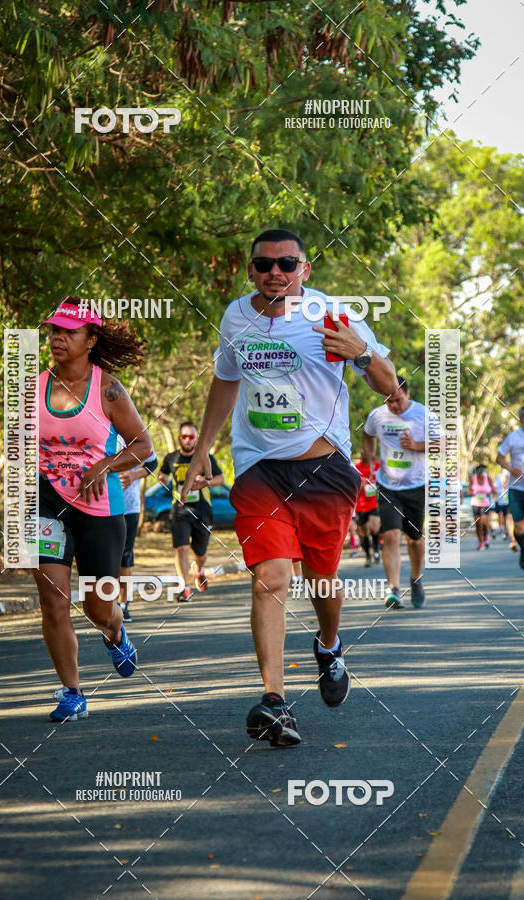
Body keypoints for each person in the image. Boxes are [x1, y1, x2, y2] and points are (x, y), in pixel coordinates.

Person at [181, 228, 397, 746]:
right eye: (263, 264)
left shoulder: (332, 314)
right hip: (259, 469)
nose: (274, 272)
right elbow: (225, 381)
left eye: (286, 263)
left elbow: (390, 386)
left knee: (322, 579)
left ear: (305, 269)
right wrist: (204, 450)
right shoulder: (237, 316)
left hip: (324, 470)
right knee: (272, 579)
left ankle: (328, 644)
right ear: (250, 270)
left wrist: (361, 352)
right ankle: (275, 701)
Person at [34, 298, 153, 721]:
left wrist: (105, 464)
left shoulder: (109, 389)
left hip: (100, 509)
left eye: (68, 331)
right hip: (47, 504)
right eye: (53, 331)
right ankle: (72, 693)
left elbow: (144, 446)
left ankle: (115, 631)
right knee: (52, 599)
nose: (57, 338)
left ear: (91, 339)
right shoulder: (34, 387)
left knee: (97, 605)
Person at [362, 378, 438, 610]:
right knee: (391, 535)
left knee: (414, 539)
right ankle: (393, 589)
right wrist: (369, 456)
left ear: (407, 392)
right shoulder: (377, 415)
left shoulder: (423, 414)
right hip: (388, 486)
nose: (393, 406)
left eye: (398, 400)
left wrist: (416, 446)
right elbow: (367, 434)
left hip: (416, 486)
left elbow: (443, 444)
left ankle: (416, 579)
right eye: (389, 401)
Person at [159, 422, 224, 601]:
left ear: (196, 438)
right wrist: (162, 478)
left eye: (191, 437)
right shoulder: (171, 458)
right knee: (181, 548)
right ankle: (184, 587)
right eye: (184, 437)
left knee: (200, 553)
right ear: (180, 438)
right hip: (180, 509)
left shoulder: (205, 457)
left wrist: (206, 481)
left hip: (202, 510)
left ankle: (199, 569)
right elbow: (162, 474)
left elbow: (221, 478)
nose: (187, 440)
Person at [117, 439, 158, 621]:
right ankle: (106, 603)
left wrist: (134, 476)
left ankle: (123, 604)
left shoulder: (133, 432)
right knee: (106, 557)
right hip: (103, 506)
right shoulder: (100, 427)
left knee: (125, 557)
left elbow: (152, 462)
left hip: (129, 508)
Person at [496, 405, 524, 575]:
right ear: (520, 419)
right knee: (519, 528)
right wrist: (511, 470)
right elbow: (499, 458)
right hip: (517, 488)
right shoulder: (513, 438)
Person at [355, 453, 381, 567]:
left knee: (374, 527)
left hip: (374, 502)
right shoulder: (356, 468)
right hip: (361, 505)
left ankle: (376, 550)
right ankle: (368, 556)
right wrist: (361, 485)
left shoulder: (378, 465)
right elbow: (352, 486)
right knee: (364, 531)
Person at [468, 464, 493, 550]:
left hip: (485, 503)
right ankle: (480, 542)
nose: (480, 473)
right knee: (478, 524)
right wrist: (472, 492)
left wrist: (489, 493)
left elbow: (493, 489)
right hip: (475, 504)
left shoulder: (487, 478)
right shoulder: (473, 479)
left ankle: (486, 537)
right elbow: (468, 491)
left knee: (484, 522)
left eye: (481, 471)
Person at [493, 470, 517, 549]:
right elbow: (495, 489)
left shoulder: (512, 479)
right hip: (501, 502)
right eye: (504, 478)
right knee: (501, 516)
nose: (505, 479)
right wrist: (495, 498)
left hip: (509, 502)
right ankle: (504, 530)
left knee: (509, 518)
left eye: (506, 478)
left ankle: (512, 538)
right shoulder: (499, 478)